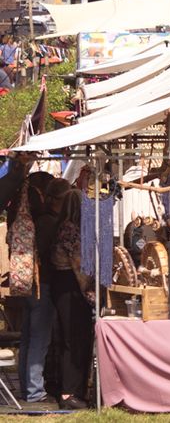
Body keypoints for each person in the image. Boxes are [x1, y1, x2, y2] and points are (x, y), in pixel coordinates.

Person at [47, 184, 93, 409]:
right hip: (69, 286)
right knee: (74, 338)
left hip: (60, 284)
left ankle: (65, 387)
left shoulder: (61, 226)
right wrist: (89, 292)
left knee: (66, 336)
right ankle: (69, 393)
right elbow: (79, 265)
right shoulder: (72, 229)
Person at [20, 172, 56, 406]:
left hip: (29, 282)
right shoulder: (45, 221)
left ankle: (27, 387)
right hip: (42, 282)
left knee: (29, 337)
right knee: (39, 338)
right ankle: (34, 390)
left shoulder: (25, 216)